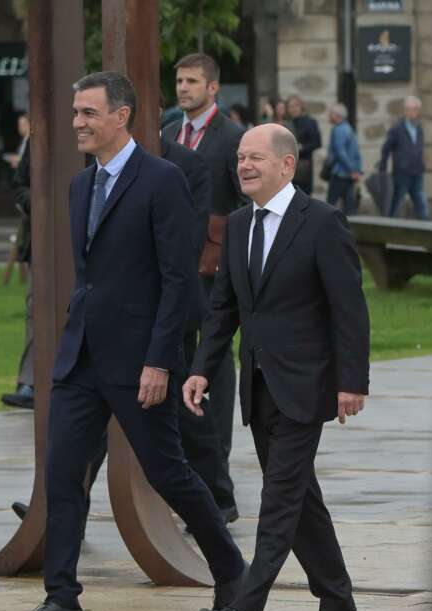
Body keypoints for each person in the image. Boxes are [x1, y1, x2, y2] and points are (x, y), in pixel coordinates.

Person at [5, 71, 246, 611]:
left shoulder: (162, 180)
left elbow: (176, 282)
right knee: (64, 474)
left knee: (171, 475)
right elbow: (91, 276)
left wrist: (161, 361)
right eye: (75, 113)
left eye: (88, 113)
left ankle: (233, 574)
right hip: (82, 358)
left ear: (122, 116)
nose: (77, 124)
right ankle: (61, 601)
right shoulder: (80, 186)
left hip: (141, 363)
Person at [185, 123, 370, 611]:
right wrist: (202, 368)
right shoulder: (240, 225)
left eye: (255, 158)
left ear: (286, 165)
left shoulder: (322, 222)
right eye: (240, 157)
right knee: (301, 501)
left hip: (306, 387)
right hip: (258, 388)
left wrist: (351, 381)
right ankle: (339, 608)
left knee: (280, 501)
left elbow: (349, 309)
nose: (243, 165)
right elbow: (224, 309)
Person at [162, 52, 244, 522]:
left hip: (215, 272)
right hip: (176, 268)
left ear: (213, 87)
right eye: (179, 80)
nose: (183, 88)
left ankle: (217, 479)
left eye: (192, 81)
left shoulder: (232, 137)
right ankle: (193, 480)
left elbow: (245, 199)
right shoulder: (168, 135)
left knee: (213, 365)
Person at [1, 135, 35, 410]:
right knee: (37, 308)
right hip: (44, 242)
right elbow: (20, 184)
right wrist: (35, 204)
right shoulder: (39, 137)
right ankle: (30, 381)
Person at [378, 95, 429, 219]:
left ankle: (428, 233)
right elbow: (386, 147)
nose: (413, 112)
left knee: (422, 205)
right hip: (402, 173)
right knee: (396, 204)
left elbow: (419, 148)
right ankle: (389, 229)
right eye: (410, 109)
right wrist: (383, 166)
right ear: (405, 110)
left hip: (417, 171)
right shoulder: (397, 128)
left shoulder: (419, 128)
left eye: (415, 109)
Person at [325, 103, 362, 214]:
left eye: (331, 114)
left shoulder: (338, 130)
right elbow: (356, 154)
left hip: (340, 173)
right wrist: (356, 170)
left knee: (329, 207)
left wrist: (353, 170)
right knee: (349, 207)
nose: (329, 116)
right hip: (348, 174)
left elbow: (340, 153)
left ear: (337, 115)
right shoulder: (348, 128)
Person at [287, 94, 321, 195]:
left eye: (295, 106)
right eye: (290, 107)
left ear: (301, 107)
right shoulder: (288, 122)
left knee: (302, 195)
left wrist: (302, 147)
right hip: (288, 165)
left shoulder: (310, 122)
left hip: (303, 165)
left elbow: (317, 142)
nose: (293, 109)